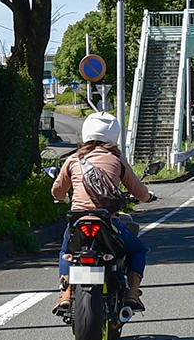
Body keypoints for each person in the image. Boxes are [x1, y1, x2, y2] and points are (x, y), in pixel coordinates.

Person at [51, 111, 156, 315]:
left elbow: (56, 191)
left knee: (67, 253)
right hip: (109, 222)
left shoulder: (73, 159)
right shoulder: (117, 160)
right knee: (138, 250)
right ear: (113, 135)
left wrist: (66, 195)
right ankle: (132, 294)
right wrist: (148, 197)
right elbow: (141, 193)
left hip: (78, 221)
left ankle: (65, 295)